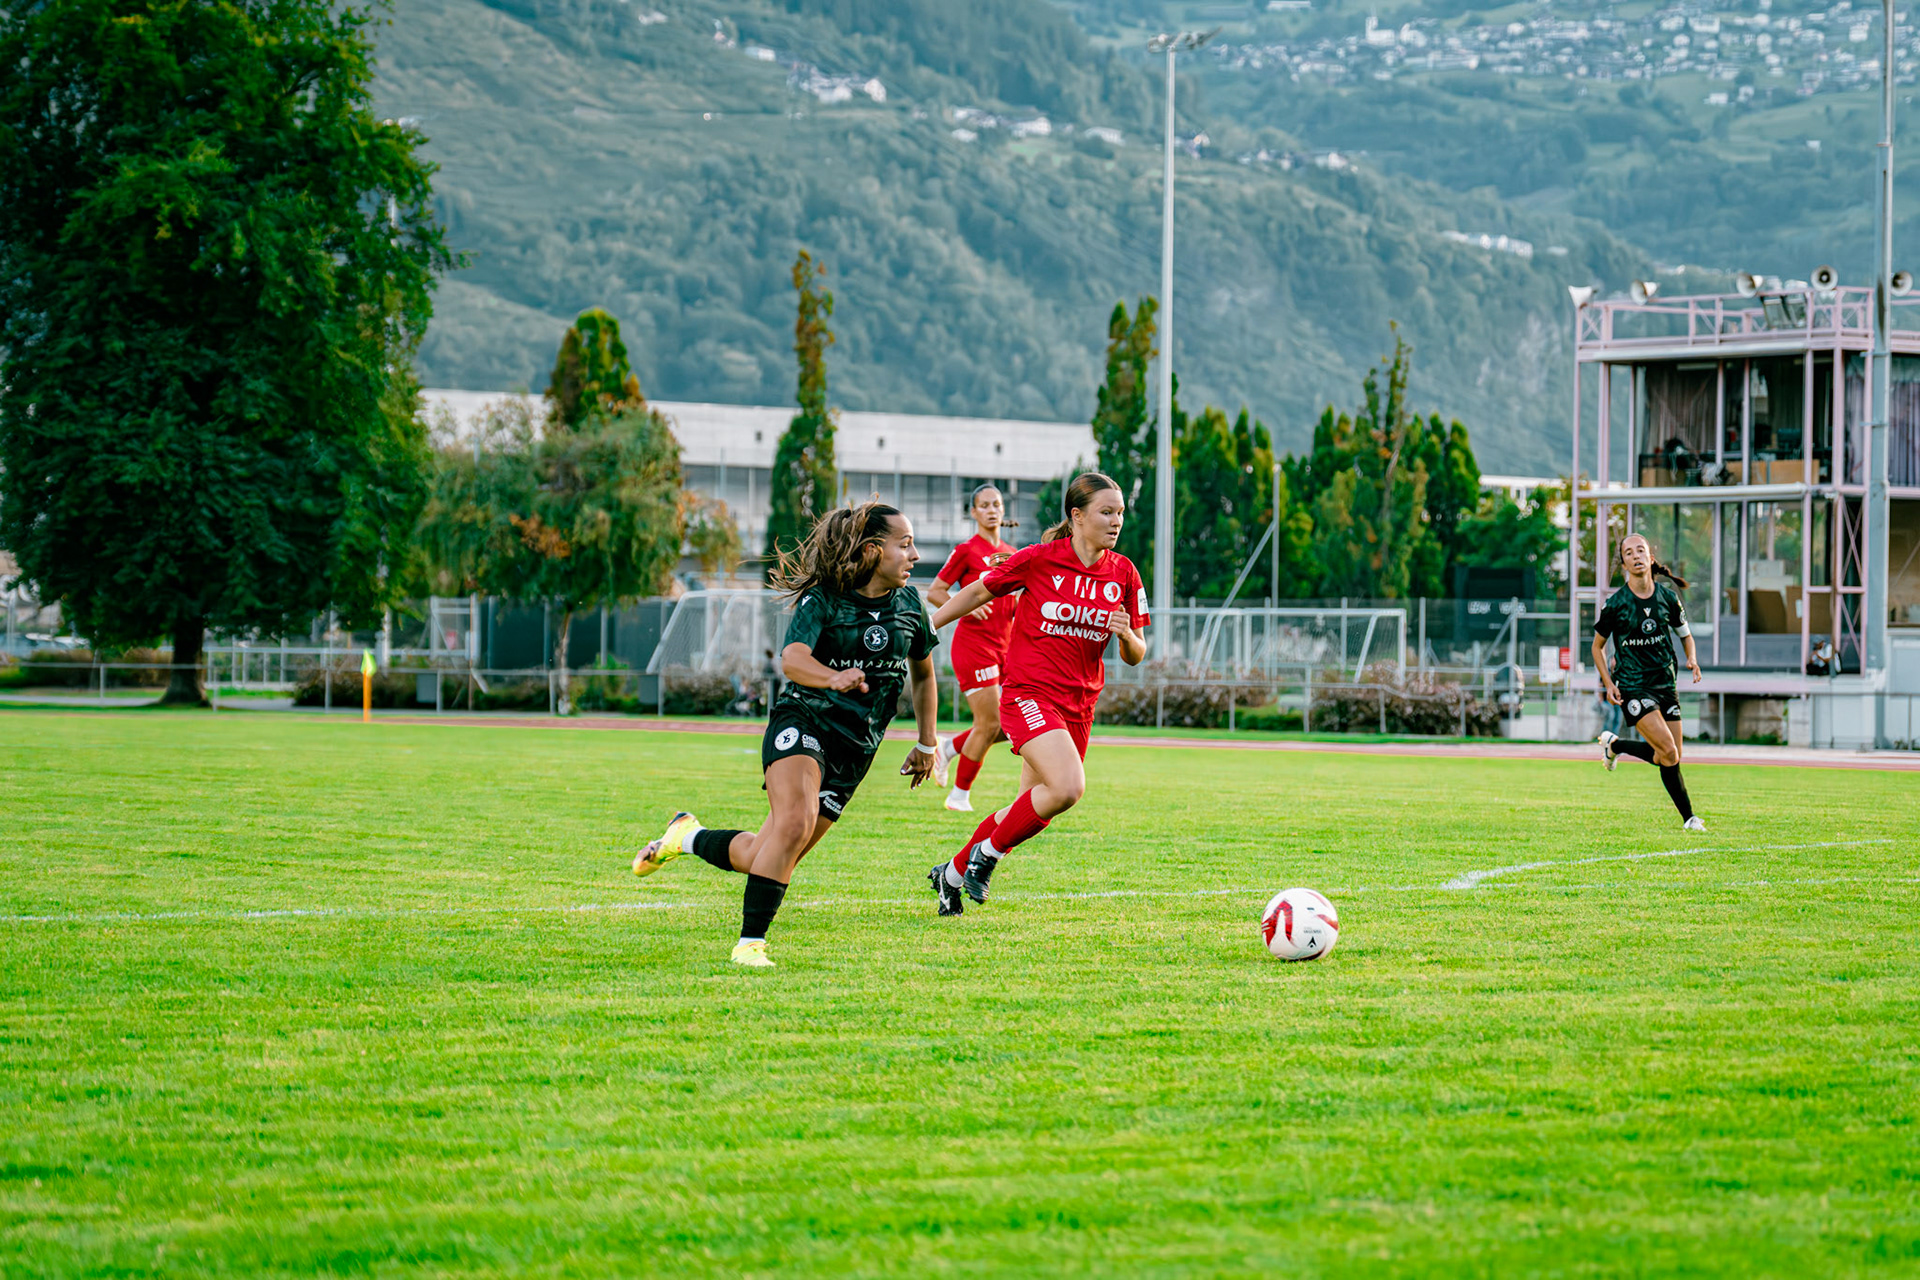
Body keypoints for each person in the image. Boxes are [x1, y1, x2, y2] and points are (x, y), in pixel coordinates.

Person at [630, 501, 942, 967]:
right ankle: (749, 945)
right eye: (906, 543)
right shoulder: (825, 599)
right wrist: (831, 677)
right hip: (804, 722)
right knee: (793, 824)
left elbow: (923, 675)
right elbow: (792, 658)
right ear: (874, 550)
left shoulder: (909, 605)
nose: (915, 554)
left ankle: (686, 837)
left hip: (856, 750)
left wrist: (926, 742)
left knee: (770, 852)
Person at [923, 472, 1149, 915]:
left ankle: (950, 873)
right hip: (1028, 693)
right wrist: (928, 627)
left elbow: (1139, 652)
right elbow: (975, 591)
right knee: (1067, 787)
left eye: (1120, 512)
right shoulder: (1039, 559)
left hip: (1079, 705)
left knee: (1031, 807)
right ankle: (986, 856)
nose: (1117, 521)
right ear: (1077, 515)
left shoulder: (1124, 573)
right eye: (1107, 512)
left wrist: (1126, 637)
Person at [1594, 533, 1706, 831]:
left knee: (1668, 756)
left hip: (1665, 685)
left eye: (1640, 550)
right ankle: (1690, 819)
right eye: (1628, 553)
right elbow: (1597, 647)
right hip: (1633, 685)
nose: (1635, 556)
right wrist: (1608, 683)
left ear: (1650, 557)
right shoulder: (1616, 604)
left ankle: (1615, 746)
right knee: (1668, 751)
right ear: (1624, 565)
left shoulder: (1668, 598)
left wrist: (1691, 658)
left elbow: (1686, 636)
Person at [926, 484, 1017, 812]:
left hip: (1006, 649)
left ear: (1003, 510)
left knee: (1009, 726)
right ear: (974, 512)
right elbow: (935, 591)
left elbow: (1015, 599)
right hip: (973, 647)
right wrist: (963, 604)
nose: (992, 510)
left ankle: (948, 748)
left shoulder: (1011, 552)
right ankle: (958, 796)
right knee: (990, 723)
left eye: (997, 504)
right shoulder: (967, 550)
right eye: (984, 505)